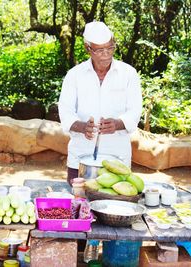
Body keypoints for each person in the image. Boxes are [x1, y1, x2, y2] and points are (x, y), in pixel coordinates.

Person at [58, 21, 142, 185]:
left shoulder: (128, 74)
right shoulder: (74, 75)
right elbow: (65, 111)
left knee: (114, 204)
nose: (106, 54)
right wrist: (81, 127)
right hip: (81, 157)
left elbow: (135, 111)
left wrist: (118, 124)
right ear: (87, 48)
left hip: (117, 157)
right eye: (100, 50)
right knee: (80, 202)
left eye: (110, 48)